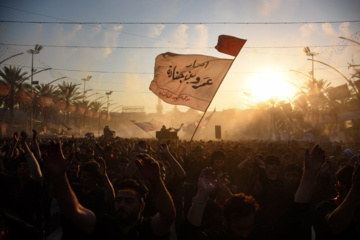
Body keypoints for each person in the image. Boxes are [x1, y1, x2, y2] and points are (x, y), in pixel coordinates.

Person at [45, 141, 176, 240]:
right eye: (118, 200)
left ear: (142, 206)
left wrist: (156, 180)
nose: (122, 205)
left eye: (129, 201)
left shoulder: (148, 228)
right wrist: (59, 177)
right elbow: (73, 211)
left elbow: (168, 216)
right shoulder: (103, 224)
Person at [313, 163, 360, 240]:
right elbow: (333, 226)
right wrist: (354, 191)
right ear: (337, 189)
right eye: (347, 190)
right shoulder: (324, 207)